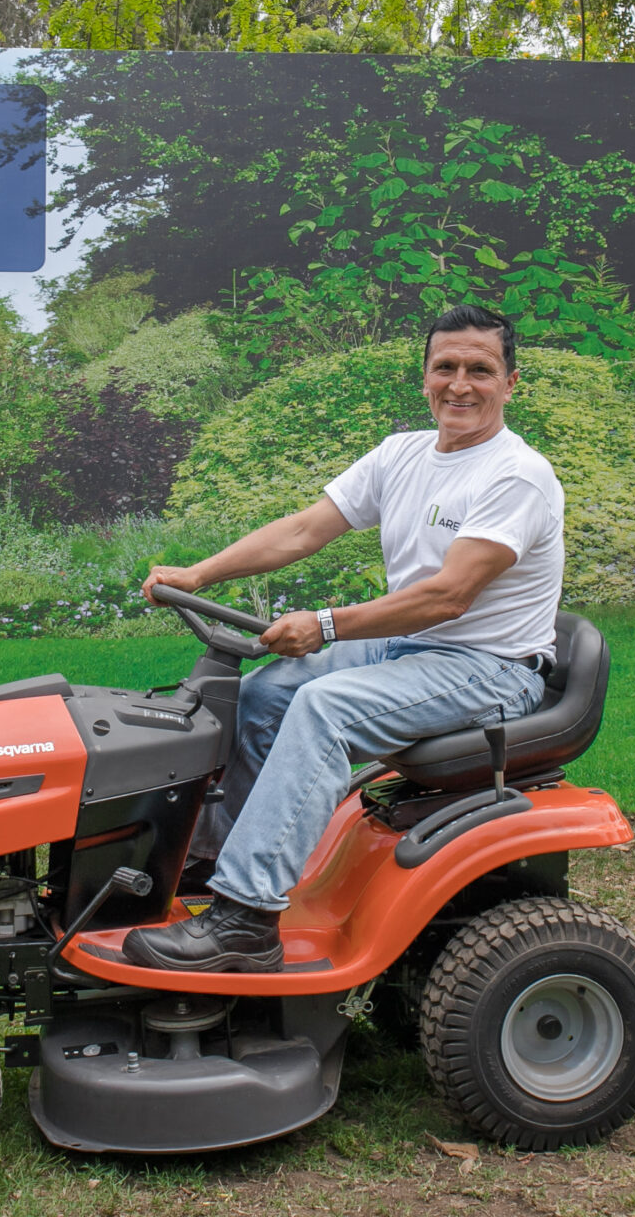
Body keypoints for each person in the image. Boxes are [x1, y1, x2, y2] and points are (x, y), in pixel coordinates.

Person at [122, 304, 566, 973]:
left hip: (490, 669)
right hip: (414, 650)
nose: (460, 385)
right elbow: (305, 530)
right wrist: (199, 572)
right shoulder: (403, 454)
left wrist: (324, 625)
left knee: (324, 710)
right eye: (445, 367)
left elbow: (447, 597)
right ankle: (215, 861)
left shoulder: (517, 475)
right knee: (268, 691)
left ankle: (245, 920)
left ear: (511, 383)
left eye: (481, 370)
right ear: (424, 378)